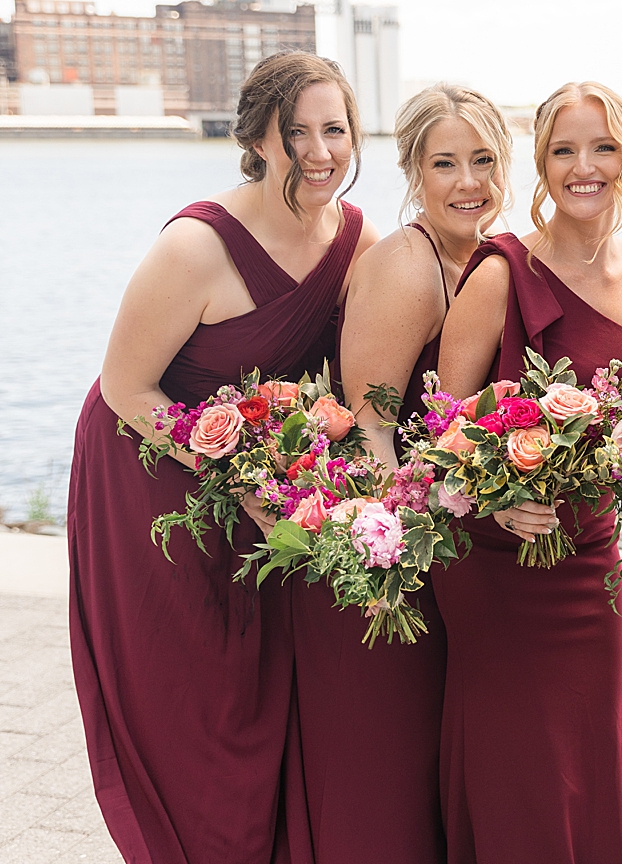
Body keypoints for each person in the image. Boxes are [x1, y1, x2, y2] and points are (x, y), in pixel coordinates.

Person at [69, 50, 378, 863]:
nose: (320, 152)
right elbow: (125, 386)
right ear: (259, 141)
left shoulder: (354, 236)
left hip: (250, 475)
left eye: (335, 130)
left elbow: (368, 374)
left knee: (260, 678)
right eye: (296, 133)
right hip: (146, 473)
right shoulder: (196, 246)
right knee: (191, 694)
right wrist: (236, 475)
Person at [433, 81, 622, 864]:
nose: (583, 166)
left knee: (582, 764)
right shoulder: (500, 271)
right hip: (496, 565)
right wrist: (495, 500)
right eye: (563, 150)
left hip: (589, 562)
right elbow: (442, 422)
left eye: (600, 147)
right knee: (516, 771)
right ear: (541, 164)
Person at [289, 84, 514, 864]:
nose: (467, 182)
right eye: (444, 163)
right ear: (414, 172)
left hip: (426, 557)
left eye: (482, 160)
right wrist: (413, 552)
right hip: (380, 569)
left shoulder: (480, 257)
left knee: (423, 776)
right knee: (380, 775)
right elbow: (369, 436)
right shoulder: (408, 265)